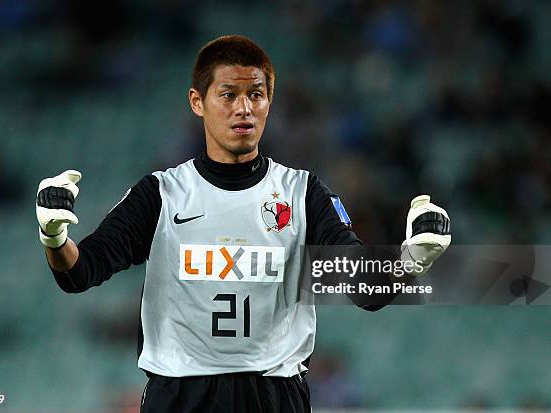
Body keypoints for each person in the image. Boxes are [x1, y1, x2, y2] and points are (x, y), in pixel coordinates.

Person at [36, 35, 451, 412]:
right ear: (197, 102)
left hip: (274, 396)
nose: (244, 108)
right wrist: (54, 236)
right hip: (181, 396)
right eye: (228, 94)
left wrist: (412, 258)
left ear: (270, 102)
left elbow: (364, 290)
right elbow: (79, 271)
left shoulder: (303, 194)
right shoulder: (161, 193)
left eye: (256, 94)